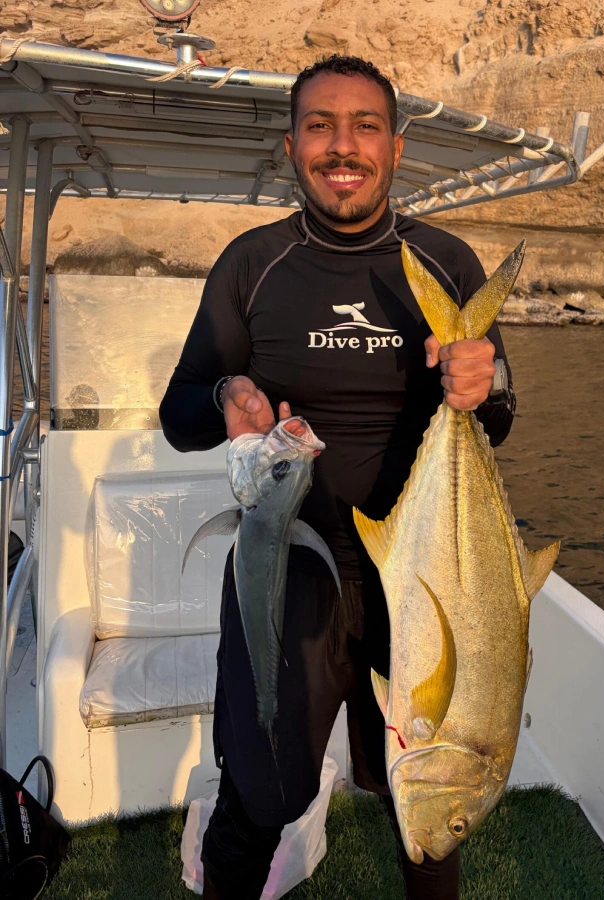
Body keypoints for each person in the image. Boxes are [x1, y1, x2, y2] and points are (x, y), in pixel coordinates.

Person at [159, 54, 516, 900]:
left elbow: (496, 419)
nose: (341, 146)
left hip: (426, 580)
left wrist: (482, 382)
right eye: (320, 125)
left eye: (362, 126)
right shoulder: (254, 264)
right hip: (294, 567)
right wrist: (227, 391)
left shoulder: (446, 263)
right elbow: (180, 419)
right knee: (257, 793)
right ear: (291, 145)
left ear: (394, 148)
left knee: (425, 798)